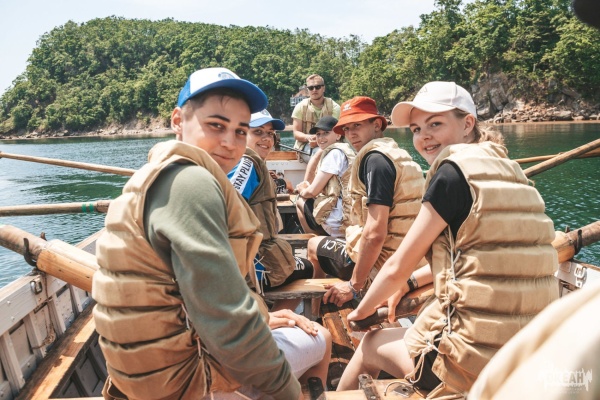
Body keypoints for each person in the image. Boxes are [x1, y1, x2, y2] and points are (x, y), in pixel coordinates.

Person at [93, 67, 315, 400]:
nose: (230, 143)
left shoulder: (160, 171)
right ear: (178, 120)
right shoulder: (192, 182)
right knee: (320, 340)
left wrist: (262, 317)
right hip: (187, 379)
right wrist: (289, 391)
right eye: (216, 125)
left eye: (240, 131)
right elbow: (227, 318)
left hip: (141, 379)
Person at [338, 82, 559, 397]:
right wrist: (410, 284)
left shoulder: (450, 175)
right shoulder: (512, 172)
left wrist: (359, 313)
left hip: (470, 364)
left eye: (435, 124)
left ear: (467, 124)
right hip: (524, 351)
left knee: (371, 343)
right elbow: (473, 258)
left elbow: (397, 266)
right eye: (416, 129)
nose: (423, 136)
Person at [306, 96, 426, 308]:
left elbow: (375, 234)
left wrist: (354, 285)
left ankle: (316, 314)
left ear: (377, 124)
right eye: (346, 128)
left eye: (357, 126)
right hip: (411, 260)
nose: (351, 134)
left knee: (312, 245)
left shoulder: (374, 161)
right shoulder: (399, 154)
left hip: (382, 267)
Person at [295, 115, 356, 238]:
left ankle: (316, 239)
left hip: (337, 221)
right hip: (350, 216)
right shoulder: (346, 150)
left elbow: (312, 192)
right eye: (318, 134)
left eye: (326, 133)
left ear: (338, 135)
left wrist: (302, 190)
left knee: (300, 200)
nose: (321, 138)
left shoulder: (333, 154)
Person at [291, 74, 341, 164]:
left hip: (331, 144)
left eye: (317, 87)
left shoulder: (335, 107)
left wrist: (319, 141)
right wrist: (309, 138)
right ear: (307, 90)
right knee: (319, 154)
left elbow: (336, 131)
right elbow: (296, 133)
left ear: (323, 88)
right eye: (311, 88)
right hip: (306, 145)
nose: (314, 90)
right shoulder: (300, 107)